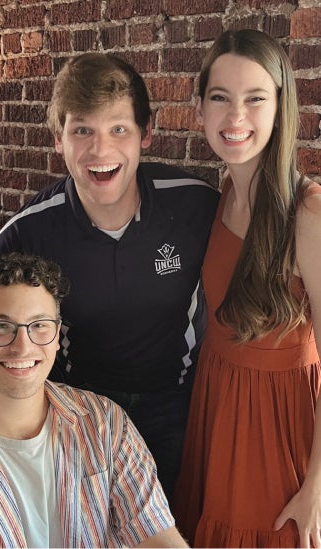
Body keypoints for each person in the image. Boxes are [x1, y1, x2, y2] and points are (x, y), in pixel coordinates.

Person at [0, 52, 219, 503]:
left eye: (118, 129)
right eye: (82, 131)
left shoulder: (197, 205)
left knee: (170, 522)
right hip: (77, 409)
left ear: (146, 133)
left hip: (178, 406)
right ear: (58, 139)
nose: (100, 150)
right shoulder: (26, 233)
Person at [0, 252, 188, 548]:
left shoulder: (106, 423)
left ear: (57, 334)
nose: (23, 347)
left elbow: (157, 534)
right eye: (0, 326)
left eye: (39, 325)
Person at [172, 28, 321, 548]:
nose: (236, 117)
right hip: (216, 406)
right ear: (199, 109)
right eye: (221, 97)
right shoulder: (225, 193)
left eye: (255, 99)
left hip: (278, 425)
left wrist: (317, 486)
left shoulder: (309, 212)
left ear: (281, 108)